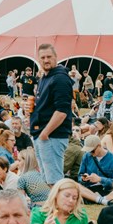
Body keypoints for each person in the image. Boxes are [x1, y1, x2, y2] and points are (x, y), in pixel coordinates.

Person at [30, 43, 73, 186]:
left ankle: (60, 208)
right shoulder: (45, 78)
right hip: (41, 133)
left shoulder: (60, 78)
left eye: (49, 57)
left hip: (51, 135)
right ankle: (51, 208)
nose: (46, 60)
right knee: (46, 178)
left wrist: (45, 133)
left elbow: (62, 111)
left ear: (56, 57)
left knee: (54, 181)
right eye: (42, 57)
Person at [78, 134, 113, 204]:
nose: (91, 153)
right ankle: (101, 200)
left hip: (106, 189)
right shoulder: (86, 156)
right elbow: (80, 175)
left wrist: (100, 179)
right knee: (75, 187)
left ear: (99, 146)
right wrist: (84, 178)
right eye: (88, 151)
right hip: (89, 188)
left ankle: (99, 199)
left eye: (92, 151)